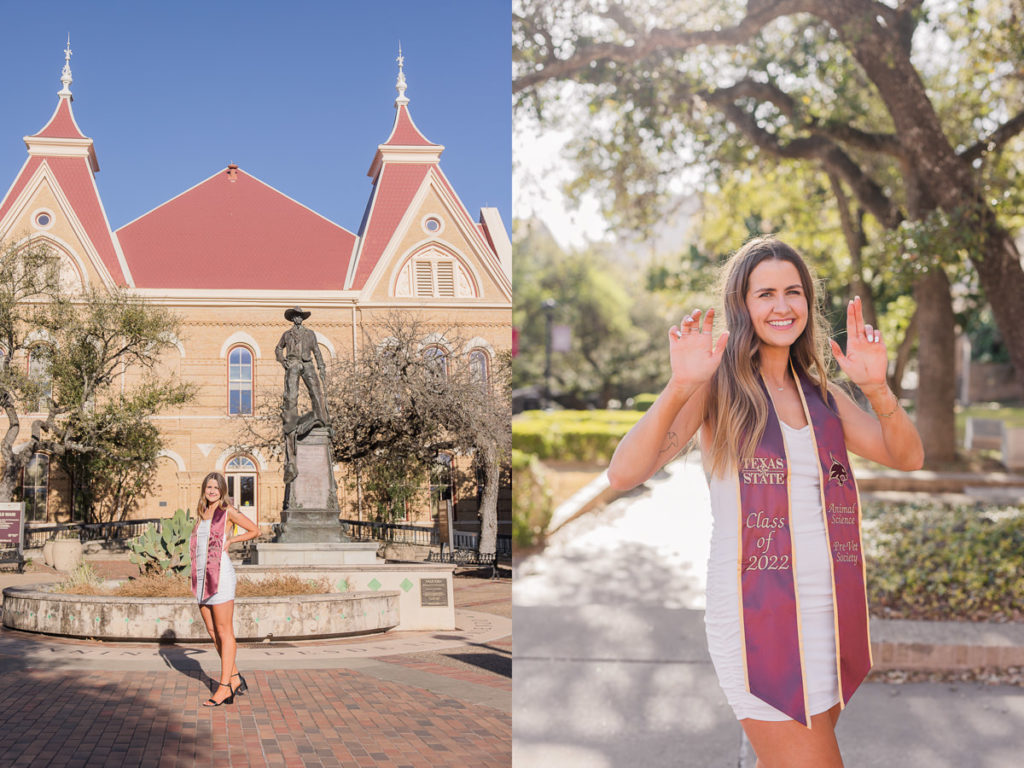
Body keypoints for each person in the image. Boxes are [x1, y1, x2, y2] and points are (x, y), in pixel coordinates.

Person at [607, 236, 923, 767]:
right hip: (756, 617)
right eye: (766, 294)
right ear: (743, 304)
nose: (782, 306)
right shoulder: (719, 388)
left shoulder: (823, 396)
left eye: (793, 292)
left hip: (827, 613)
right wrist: (680, 385)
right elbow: (623, 473)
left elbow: (906, 455)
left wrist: (879, 389)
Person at [191, 471, 260, 707]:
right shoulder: (202, 512)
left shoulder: (227, 511)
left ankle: (224, 688)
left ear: (222, 490)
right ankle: (234, 677)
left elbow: (254, 530)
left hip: (221, 575)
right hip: (201, 576)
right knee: (211, 631)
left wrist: (231, 541)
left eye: (215, 487)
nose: (211, 491)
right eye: (208, 487)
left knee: (224, 631)